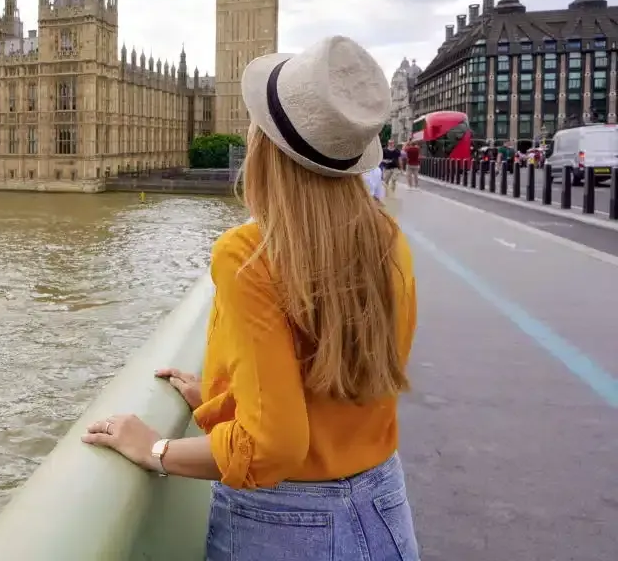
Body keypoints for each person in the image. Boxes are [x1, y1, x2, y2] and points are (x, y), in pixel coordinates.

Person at [82, 35, 419, 560]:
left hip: (284, 528)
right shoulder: (386, 237)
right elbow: (334, 378)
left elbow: (274, 448)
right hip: (383, 510)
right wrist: (224, 402)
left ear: (265, 148)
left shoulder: (249, 255)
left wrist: (155, 449)